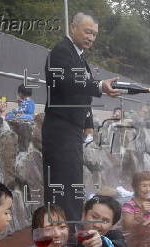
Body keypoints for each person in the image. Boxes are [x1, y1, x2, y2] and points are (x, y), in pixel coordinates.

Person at [42, 12, 121, 223]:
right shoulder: (60, 52)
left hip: (73, 130)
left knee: (72, 184)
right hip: (60, 130)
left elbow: (82, 94)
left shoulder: (79, 56)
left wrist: (88, 124)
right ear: (72, 27)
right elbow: (66, 82)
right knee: (62, 186)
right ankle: (62, 238)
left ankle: (70, 233)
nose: (91, 38)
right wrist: (99, 86)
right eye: (88, 31)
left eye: (94, 34)